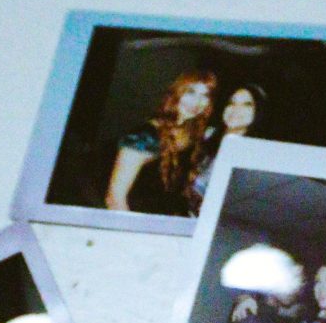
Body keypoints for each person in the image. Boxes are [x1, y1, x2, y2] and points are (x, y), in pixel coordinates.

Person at [106, 69, 218, 214]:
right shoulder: (144, 137)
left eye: (205, 95)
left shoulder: (191, 133)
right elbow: (114, 200)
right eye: (190, 92)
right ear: (176, 93)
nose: (196, 102)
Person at [188, 81, 266, 212]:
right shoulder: (206, 135)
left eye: (247, 105)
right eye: (231, 103)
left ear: (258, 112)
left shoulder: (254, 157)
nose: (236, 109)